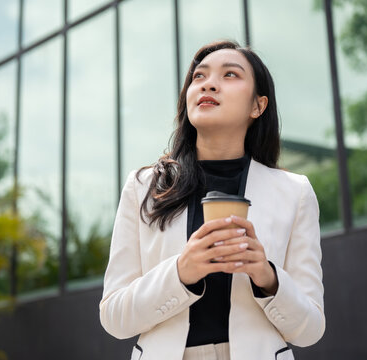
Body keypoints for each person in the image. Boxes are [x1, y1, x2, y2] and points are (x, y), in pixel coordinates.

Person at [99, 40, 325, 360]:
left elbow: (311, 329)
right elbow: (114, 317)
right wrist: (181, 272)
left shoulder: (294, 191)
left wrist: (267, 276)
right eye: (198, 76)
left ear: (257, 106)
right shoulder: (144, 186)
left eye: (230, 75)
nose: (209, 83)